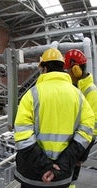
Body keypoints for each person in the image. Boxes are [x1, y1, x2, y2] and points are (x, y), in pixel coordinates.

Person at [14, 48, 94, 188]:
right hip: (61, 174)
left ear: (44, 69)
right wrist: (63, 163)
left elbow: (22, 136)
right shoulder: (79, 96)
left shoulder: (32, 95)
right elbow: (87, 132)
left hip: (33, 175)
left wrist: (45, 166)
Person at [64, 49, 97, 184]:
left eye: (69, 70)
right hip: (70, 145)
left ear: (76, 69)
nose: (67, 74)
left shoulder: (91, 92)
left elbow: (93, 129)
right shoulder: (75, 88)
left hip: (78, 147)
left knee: (70, 179)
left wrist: (80, 154)